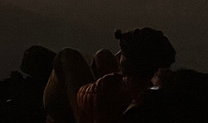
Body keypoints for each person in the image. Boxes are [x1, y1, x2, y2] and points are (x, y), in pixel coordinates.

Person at [43, 28, 175, 123]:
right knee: (103, 54)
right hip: (125, 91)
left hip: (90, 109)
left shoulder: (107, 87)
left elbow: (84, 95)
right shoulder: (158, 88)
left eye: (122, 54)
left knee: (67, 56)